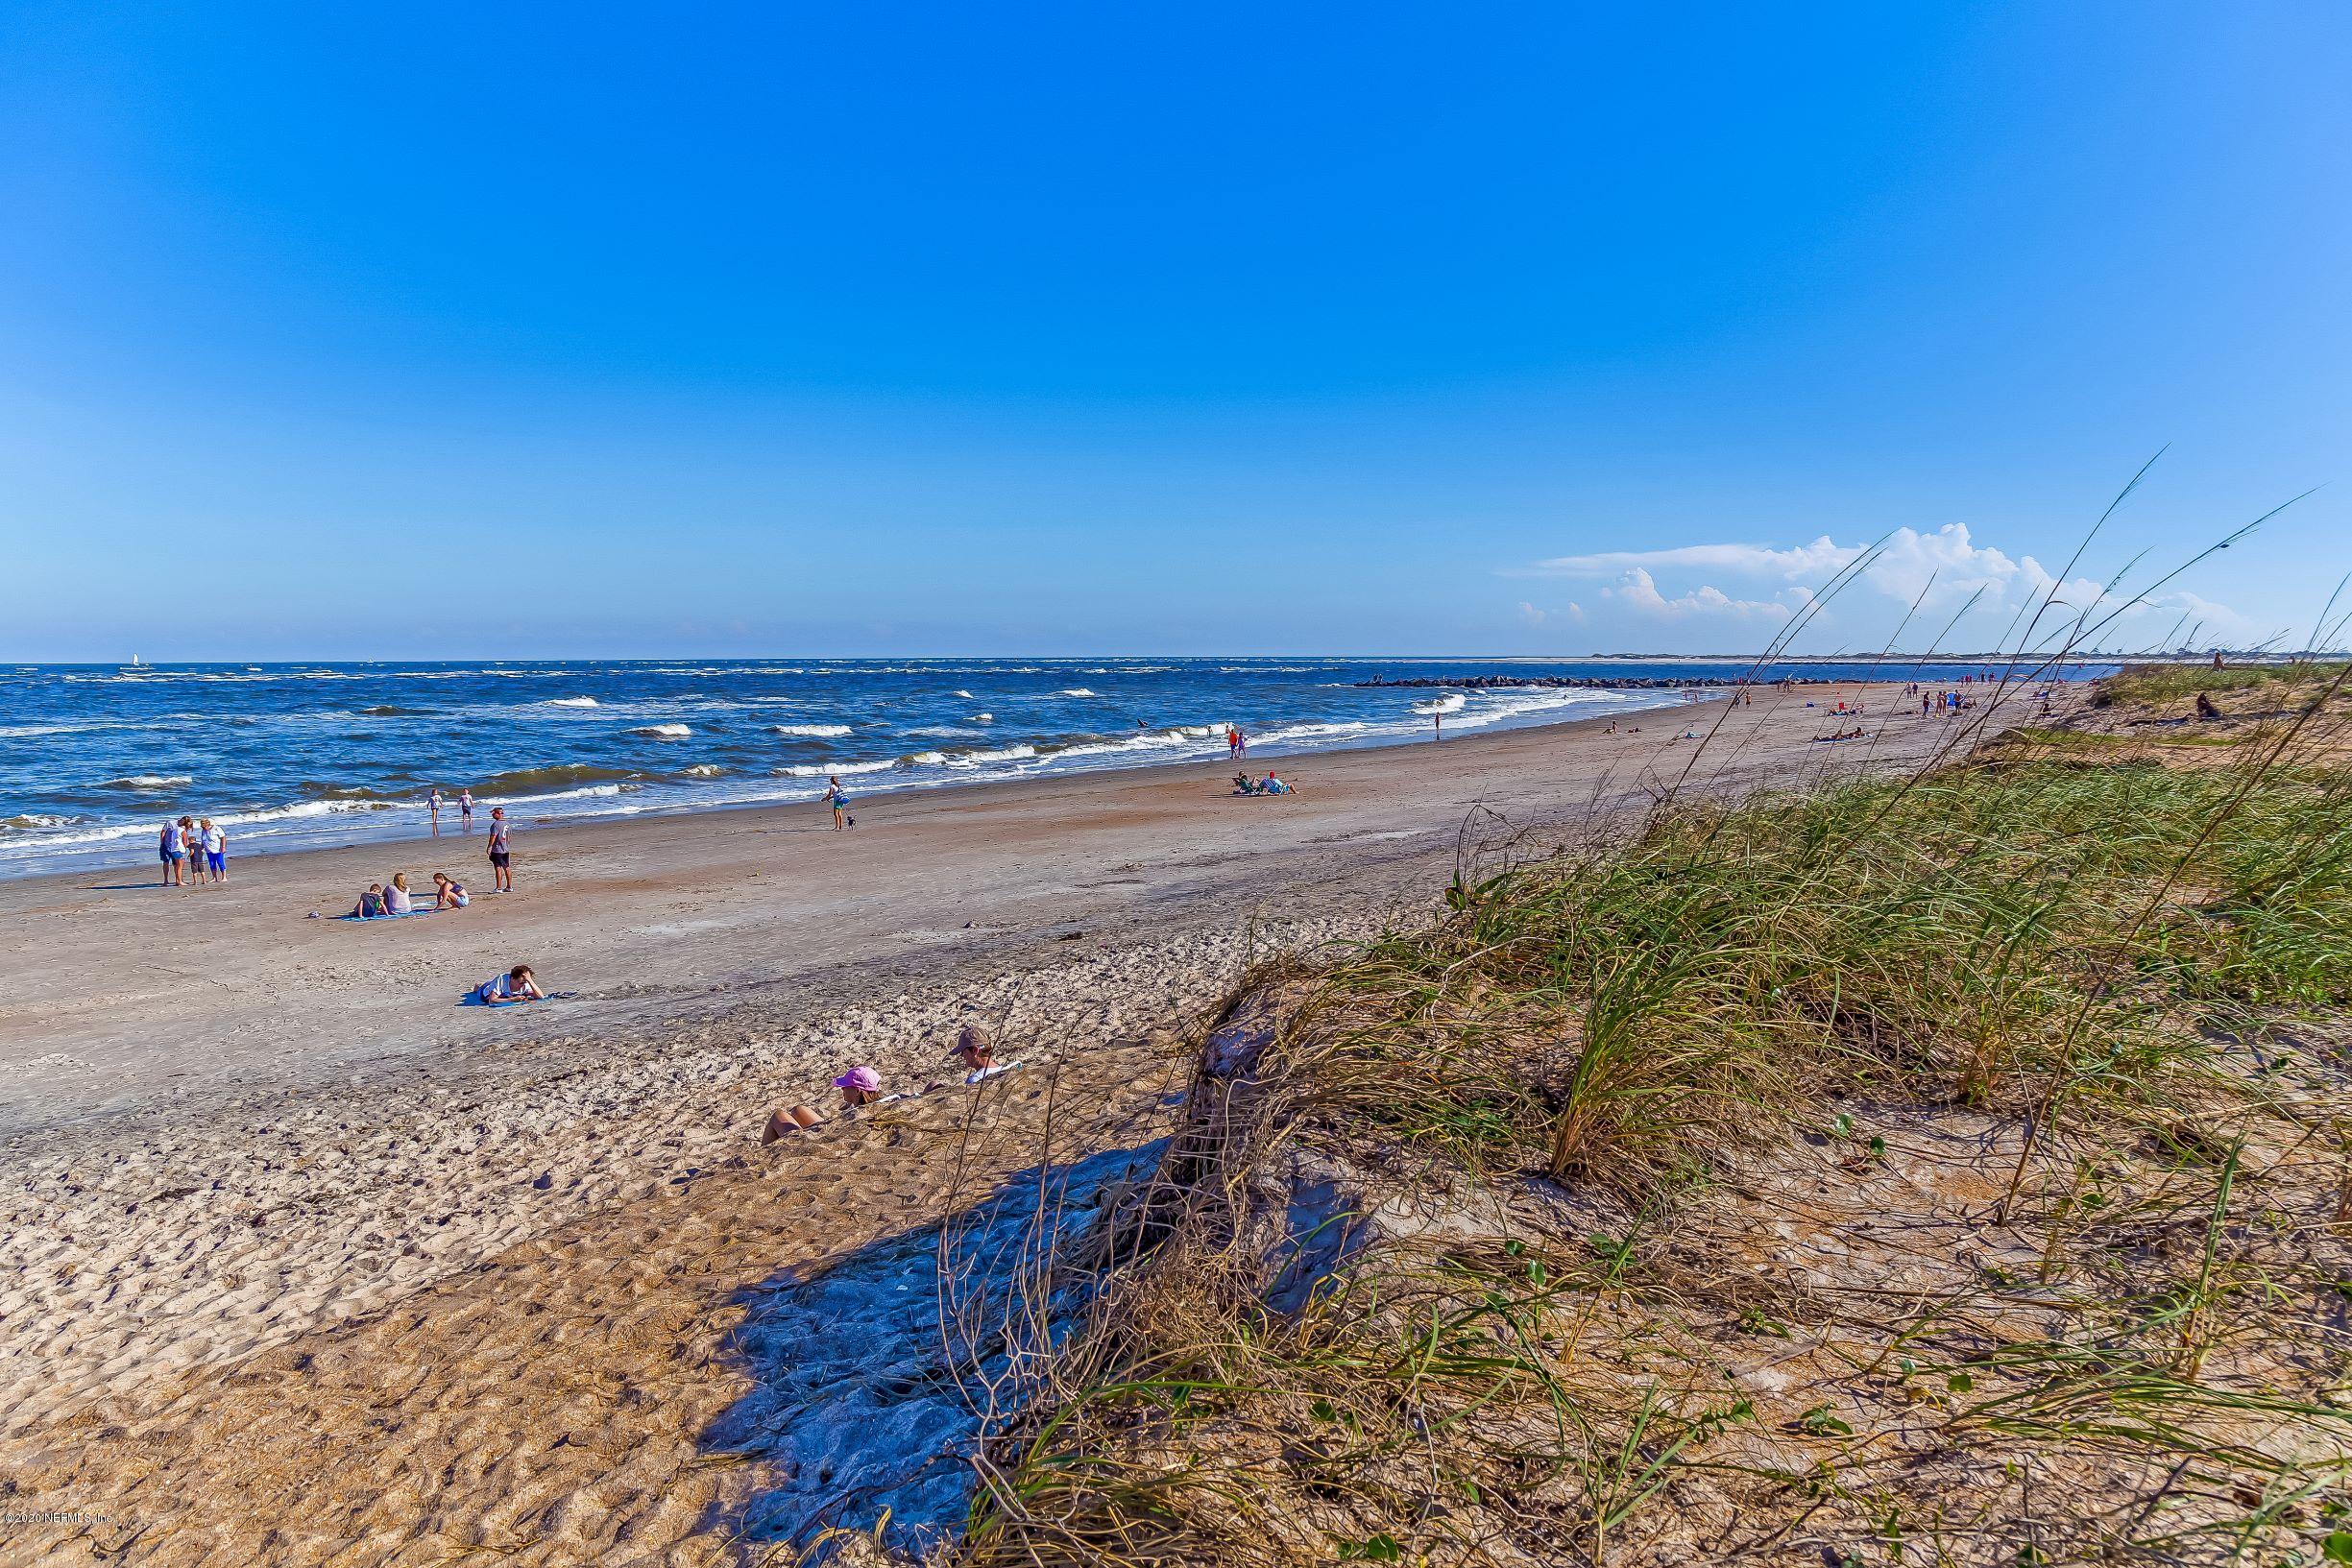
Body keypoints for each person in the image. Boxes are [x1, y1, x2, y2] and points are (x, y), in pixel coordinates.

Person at [952, 1024, 1022, 1085]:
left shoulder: (974, 1080)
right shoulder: (1014, 1067)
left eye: (963, 1052)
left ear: (975, 1050)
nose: (962, 1056)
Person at [473, 964, 543, 1005]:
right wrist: (512, 1000)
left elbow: (540, 997)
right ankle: (478, 986)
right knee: (481, 988)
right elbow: (491, 1001)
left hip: (508, 995)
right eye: (521, 983)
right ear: (512, 978)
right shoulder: (502, 979)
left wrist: (530, 980)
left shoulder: (526, 982)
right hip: (485, 993)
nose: (523, 985)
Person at [487, 807, 513, 891]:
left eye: (493, 813)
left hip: (497, 849)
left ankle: (498, 888)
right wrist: (506, 846)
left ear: (498, 814)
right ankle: (509, 887)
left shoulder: (496, 824)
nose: (492, 815)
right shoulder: (508, 824)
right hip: (505, 849)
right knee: (507, 867)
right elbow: (509, 837)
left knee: (498, 867)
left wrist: (489, 847)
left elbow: (493, 836)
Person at [158, 817, 187, 887]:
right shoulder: (170, 823)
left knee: (176, 864)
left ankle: (178, 880)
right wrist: (162, 842)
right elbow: (163, 832)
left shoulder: (183, 827)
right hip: (166, 845)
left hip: (175, 847)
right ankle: (166, 880)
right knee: (166, 862)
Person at [201, 818, 226, 884]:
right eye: (202, 826)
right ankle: (214, 877)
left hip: (217, 849)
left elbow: (223, 837)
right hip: (208, 850)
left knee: (220, 863)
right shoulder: (203, 831)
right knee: (212, 864)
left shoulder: (216, 828)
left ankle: (224, 877)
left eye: (204, 826)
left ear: (208, 824)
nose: (203, 828)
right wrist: (201, 848)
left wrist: (223, 847)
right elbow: (203, 840)